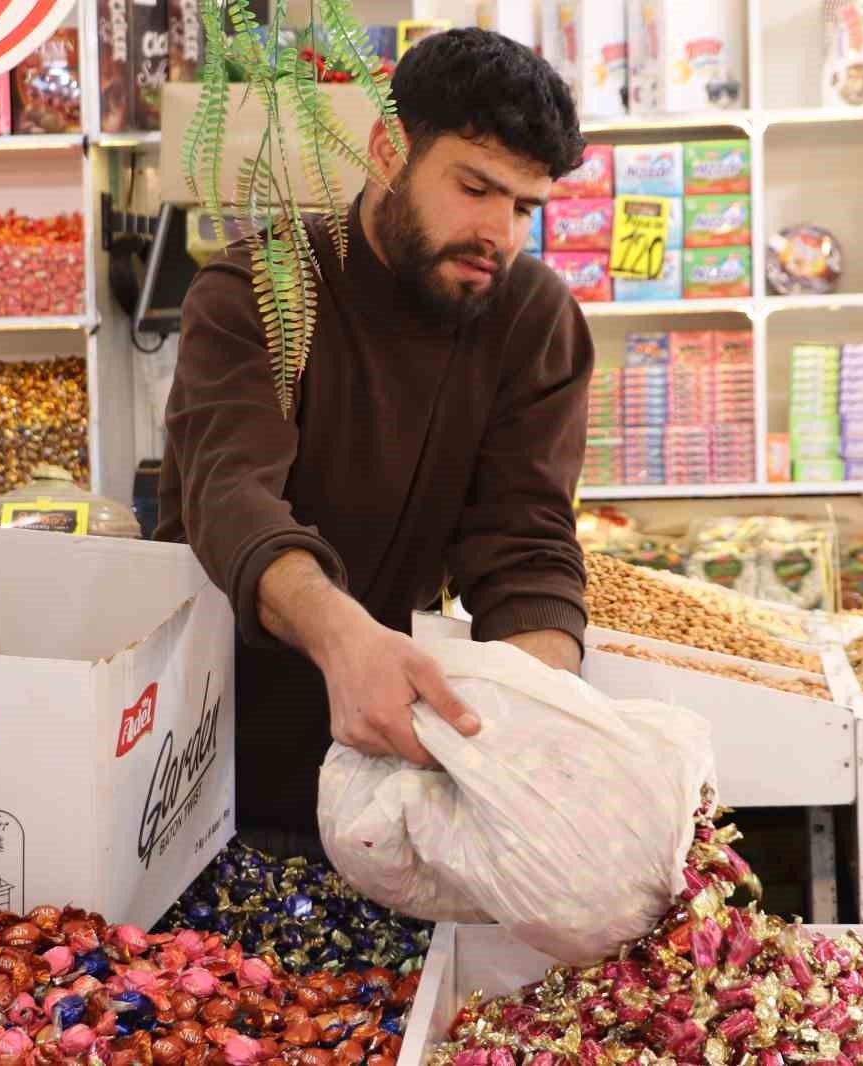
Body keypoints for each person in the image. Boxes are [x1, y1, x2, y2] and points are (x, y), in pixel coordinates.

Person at [154, 27, 593, 859]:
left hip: (400, 767)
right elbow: (231, 497)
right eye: (475, 187)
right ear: (389, 150)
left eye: (523, 208)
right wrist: (343, 638)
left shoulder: (533, 318)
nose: (499, 233)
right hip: (210, 768)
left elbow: (525, 543)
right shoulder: (254, 291)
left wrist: (537, 719)